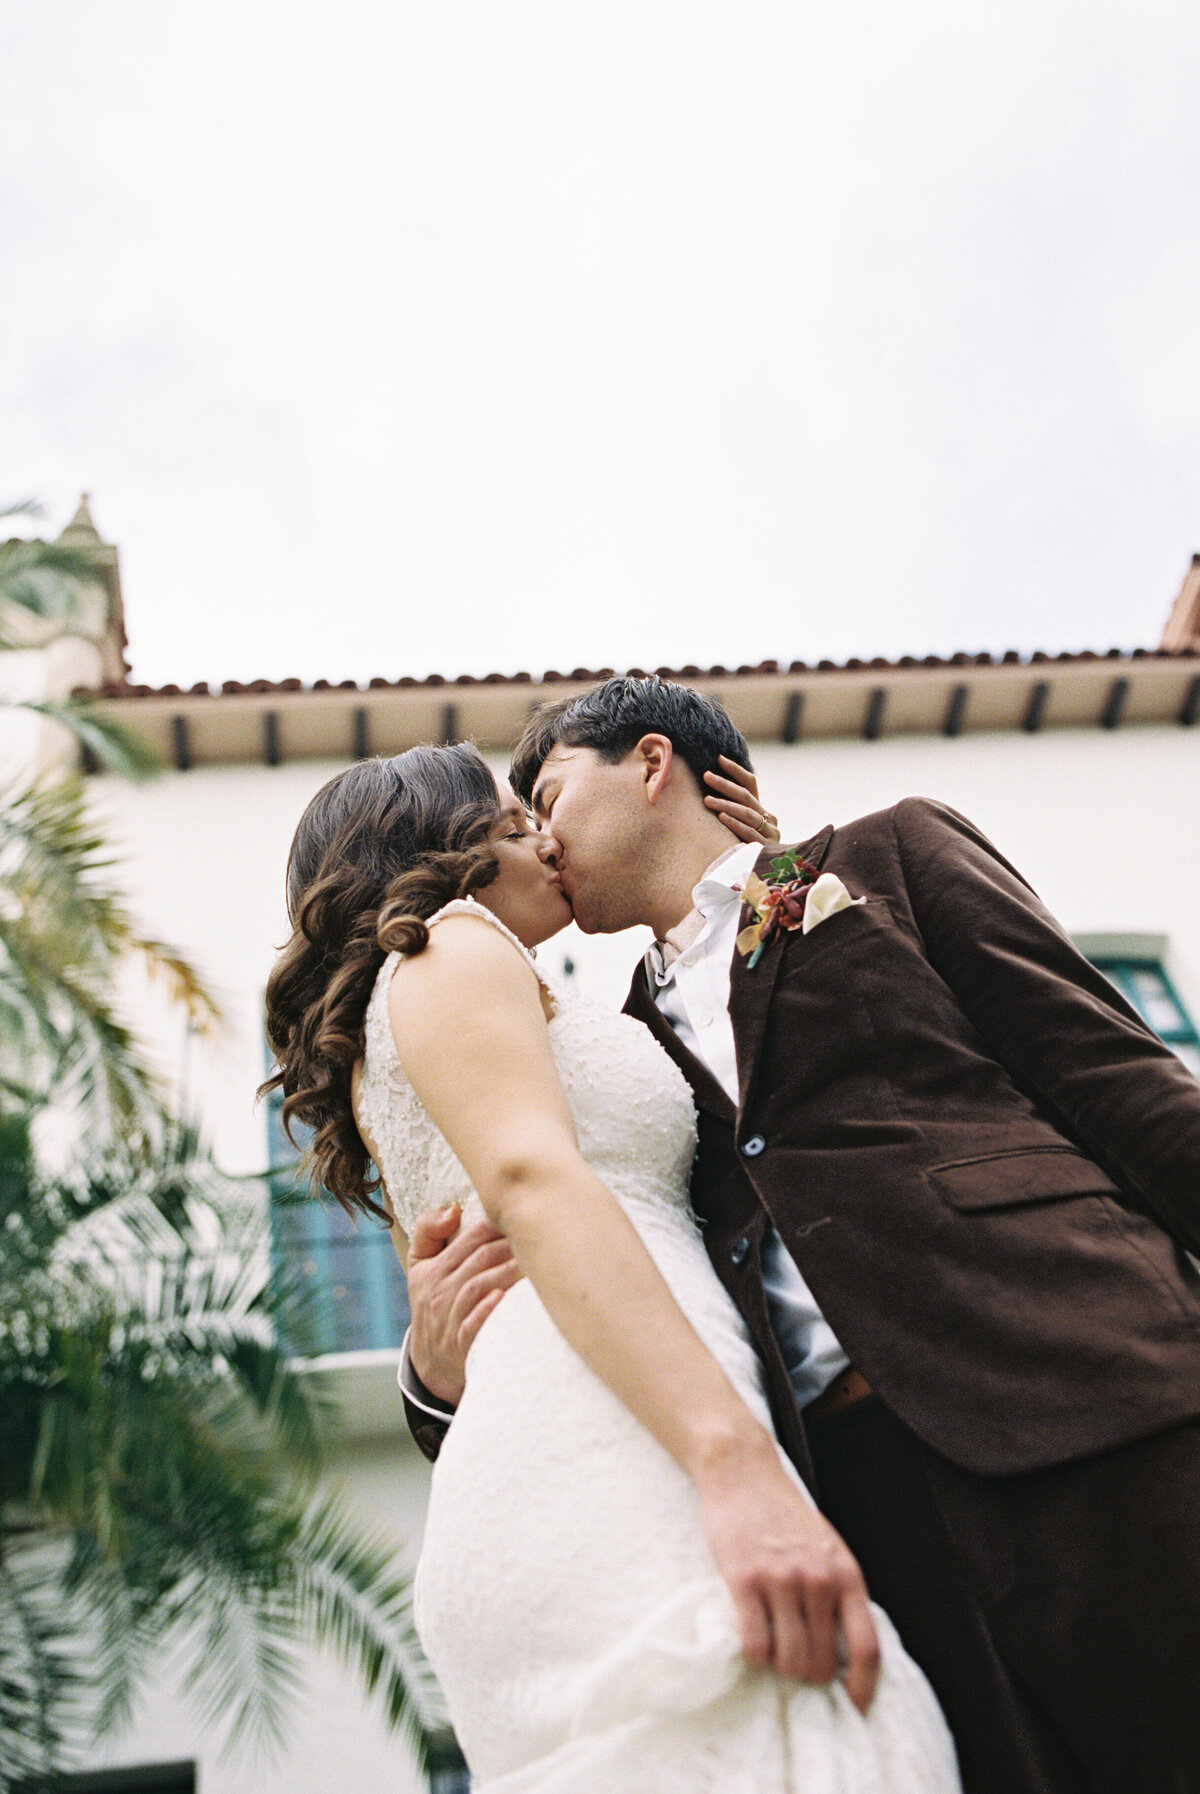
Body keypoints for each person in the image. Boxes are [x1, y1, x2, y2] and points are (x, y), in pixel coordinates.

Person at [404, 676, 1200, 1794]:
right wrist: (435, 1378)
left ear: (650, 763)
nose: (536, 832)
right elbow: (599, 1260)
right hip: (855, 1506)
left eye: (548, 792)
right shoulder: (613, 1053)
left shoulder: (883, 858)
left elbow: (1117, 1081)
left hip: (1090, 1381)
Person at [264, 742, 961, 1794]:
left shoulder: (437, 1016)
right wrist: (736, 1468)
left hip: (588, 1430)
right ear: (445, 848)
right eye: (513, 818)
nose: (546, 838)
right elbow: (536, 1184)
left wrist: (761, 872)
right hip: (622, 1441)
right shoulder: (454, 946)